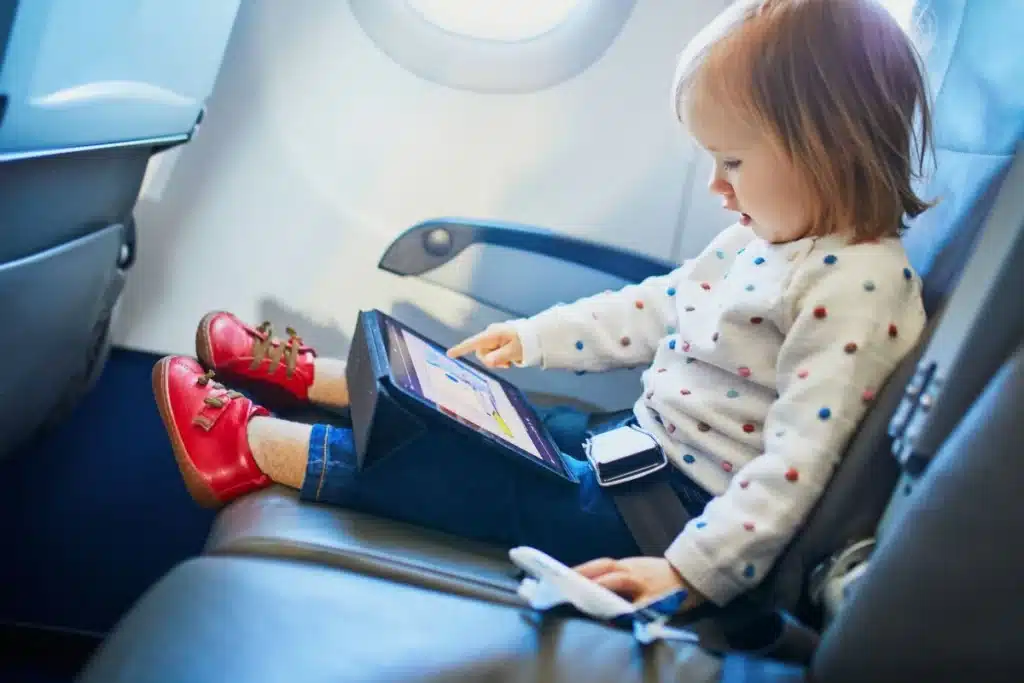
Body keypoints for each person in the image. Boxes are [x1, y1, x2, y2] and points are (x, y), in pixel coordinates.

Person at [152, 0, 932, 612]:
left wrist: (691, 571)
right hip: (635, 444)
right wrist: (532, 339)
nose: (715, 186)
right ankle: (308, 376)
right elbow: (655, 306)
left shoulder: (857, 288)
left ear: (828, 144)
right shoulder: (762, 239)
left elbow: (795, 464)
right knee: (483, 406)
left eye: (732, 160)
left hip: (675, 514)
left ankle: (253, 448)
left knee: (476, 475)